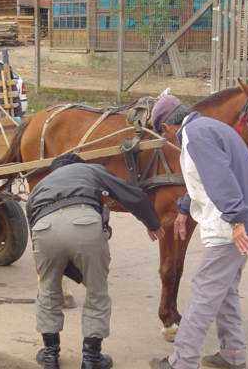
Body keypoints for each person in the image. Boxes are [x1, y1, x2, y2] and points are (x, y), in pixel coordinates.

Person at [149, 95, 248, 369]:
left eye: (162, 131)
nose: (165, 136)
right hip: (243, 220)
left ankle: (181, 361)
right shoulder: (209, 127)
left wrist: (236, 221)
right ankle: (233, 354)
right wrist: (184, 208)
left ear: (169, 126)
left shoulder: (195, 136)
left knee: (204, 293)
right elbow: (201, 180)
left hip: (230, 226)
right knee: (225, 289)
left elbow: (220, 178)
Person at [27, 153, 163, 369]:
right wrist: (152, 222)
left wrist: (45, 258)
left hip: (43, 228)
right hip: (84, 222)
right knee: (97, 292)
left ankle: (50, 355)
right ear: (78, 164)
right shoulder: (90, 170)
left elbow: (31, 217)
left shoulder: (42, 184)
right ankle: (91, 359)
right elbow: (129, 193)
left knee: (48, 290)